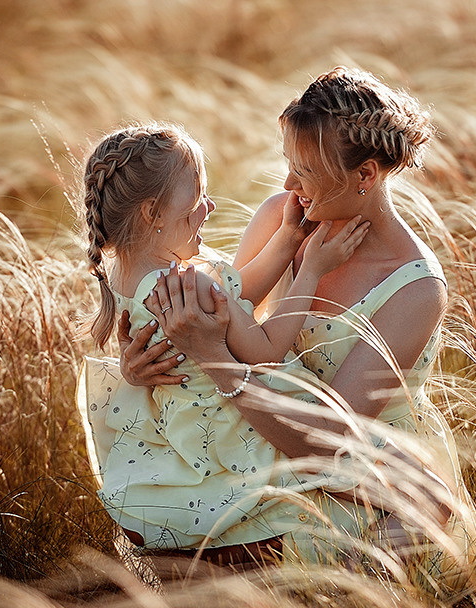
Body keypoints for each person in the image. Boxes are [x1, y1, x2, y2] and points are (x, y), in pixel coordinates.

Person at [118, 67, 476, 578]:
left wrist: (214, 361)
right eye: (288, 165)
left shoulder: (416, 289)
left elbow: (329, 448)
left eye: (307, 171)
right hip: (260, 417)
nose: (290, 185)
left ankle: (269, 575)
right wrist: (143, 363)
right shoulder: (285, 216)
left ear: (366, 175)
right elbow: (228, 316)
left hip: (350, 456)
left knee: (422, 511)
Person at [77, 122, 371, 566]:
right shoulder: (185, 283)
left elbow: (239, 294)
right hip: (233, 422)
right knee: (363, 467)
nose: (209, 208)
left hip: (183, 428)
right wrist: (311, 268)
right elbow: (265, 349)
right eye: (196, 202)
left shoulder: (128, 277)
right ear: (153, 213)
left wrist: (289, 235)